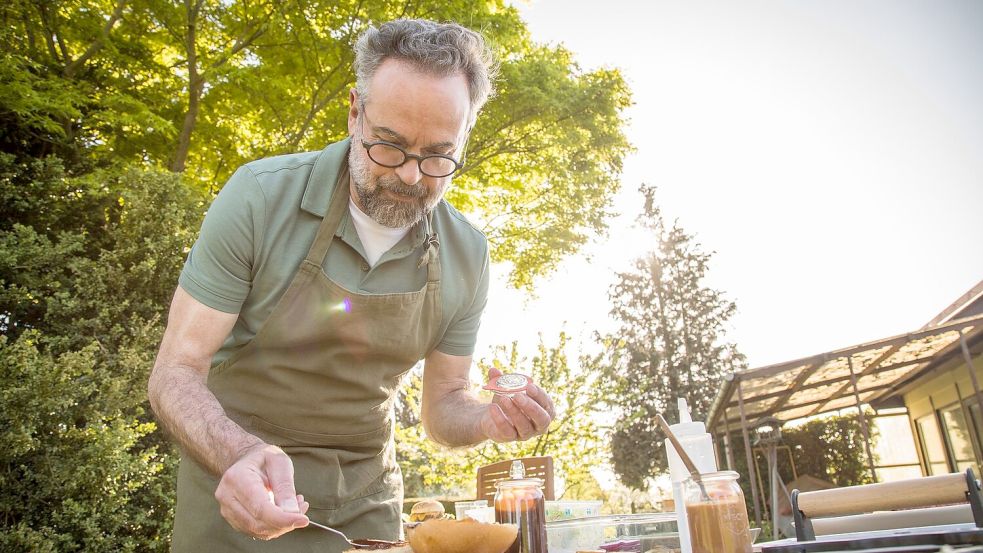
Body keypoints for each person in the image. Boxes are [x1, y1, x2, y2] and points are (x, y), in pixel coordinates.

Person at [147, 18, 556, 553]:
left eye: (437, 155)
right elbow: (175, 372)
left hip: (365, 513)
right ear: (354, 113)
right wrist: (239, 454)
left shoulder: (468, 254)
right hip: (237, 495)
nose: (411, 177)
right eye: (388, 145)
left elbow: (443, 409)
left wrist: (488, 418)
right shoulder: (257, 198)